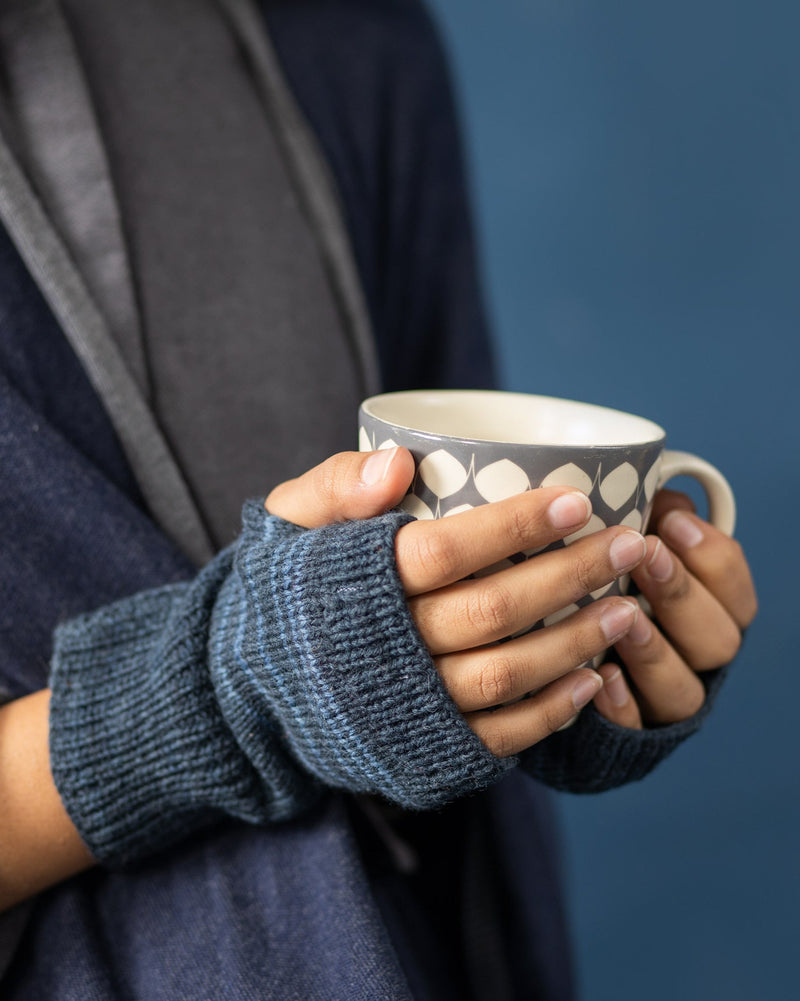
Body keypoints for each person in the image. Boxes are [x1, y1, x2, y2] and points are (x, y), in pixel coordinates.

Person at [0, 0, 756, 998]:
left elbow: (451, 529)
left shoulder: (354, 42)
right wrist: (225, 692)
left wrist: (563, 657)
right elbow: (288, 668)